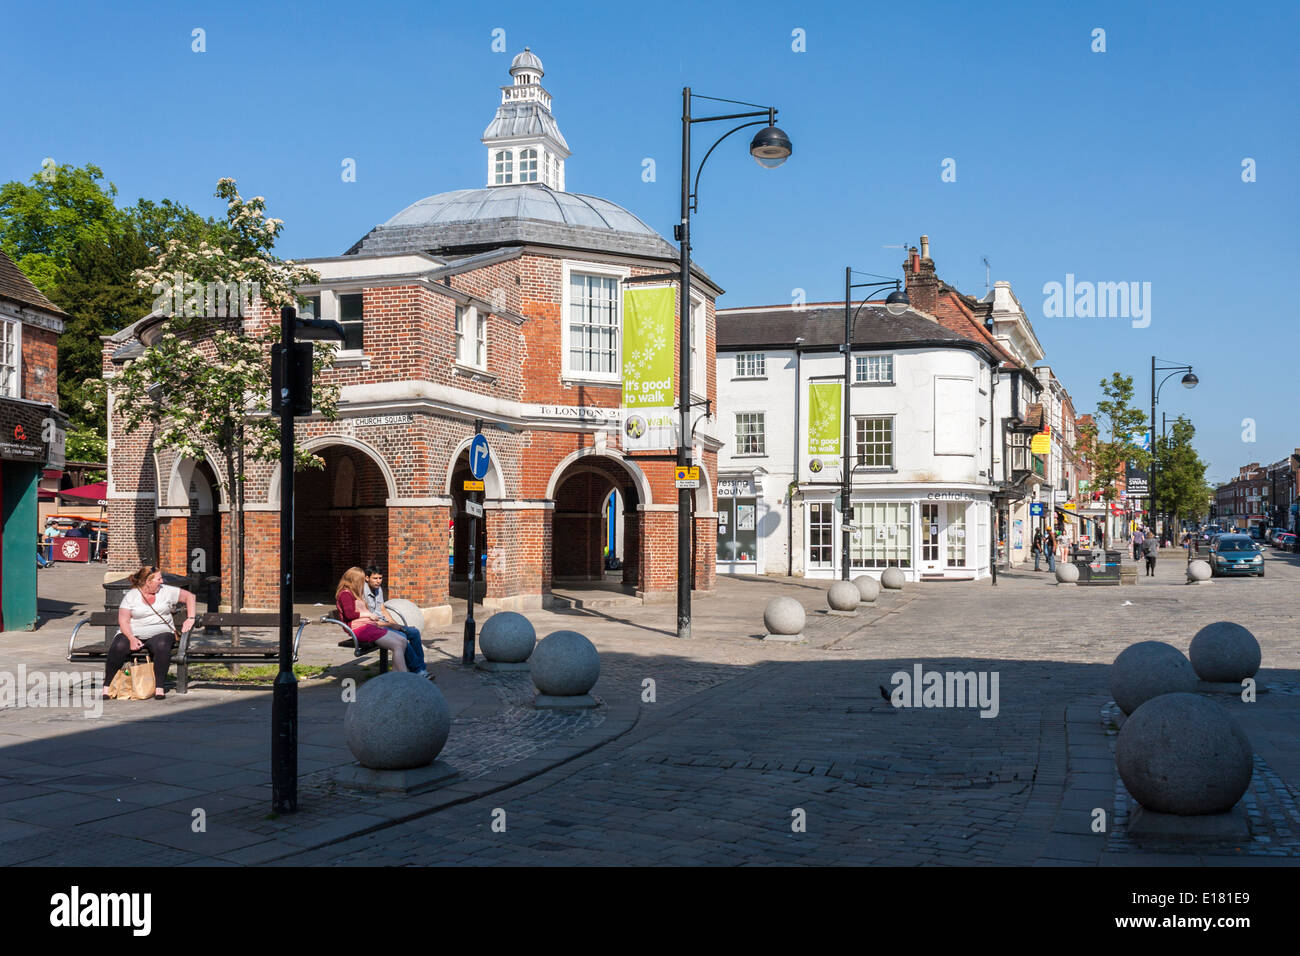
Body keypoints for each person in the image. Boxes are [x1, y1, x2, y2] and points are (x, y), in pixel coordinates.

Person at [105, 565, 197, 699]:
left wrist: (191, 618)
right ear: (148, 582)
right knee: (118, 646)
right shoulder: (132, 596)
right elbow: (124, 621)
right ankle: (107, 686)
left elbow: (190, 597)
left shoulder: (166, 591)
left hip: (161, 632)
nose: (162, 581)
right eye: (159, 579)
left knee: (162, 645)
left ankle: (159, 687)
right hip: (134, 633)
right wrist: (131, 638)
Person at [335, 567, 409, 672]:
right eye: (360, 580)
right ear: (354, 580)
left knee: (402, 640)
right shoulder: (345, 594)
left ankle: (396, 674)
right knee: (397, 644)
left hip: (368, 626)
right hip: (360, 629)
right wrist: (368, 614)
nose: (362, 583)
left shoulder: (352, 593)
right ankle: (403, 675)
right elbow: (350, 614)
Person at [363, 565, 428, 678]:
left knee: (414, 632)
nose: (378, 581)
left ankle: (421, 668)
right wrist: (390, 625)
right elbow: (368, 620)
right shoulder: (362, 593)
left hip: (384, 623)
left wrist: (394, 624)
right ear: (367, 578)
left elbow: (383, 609)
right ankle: (417, 670)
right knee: (401, 637)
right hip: (374, 626)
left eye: (380, 578)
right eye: (375, 578)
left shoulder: (379, 589)